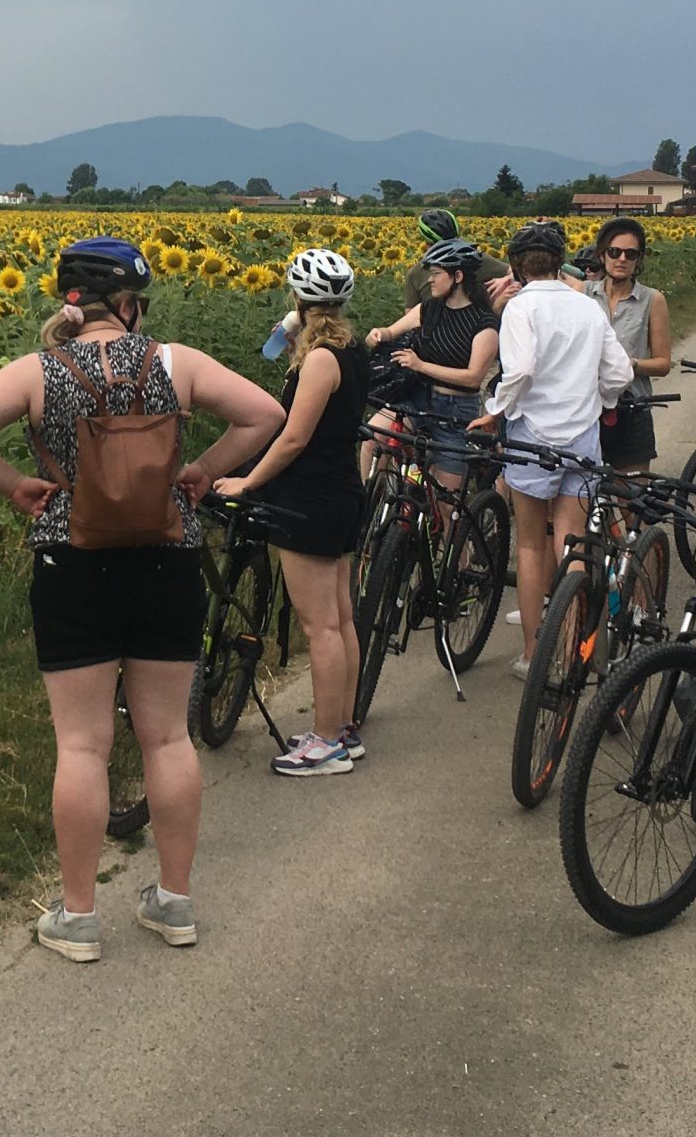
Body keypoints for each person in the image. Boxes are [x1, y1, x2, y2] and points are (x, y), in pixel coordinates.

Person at [0, 238, 282, 962]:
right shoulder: (174, 363)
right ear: (129, 306)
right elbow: (263, 414)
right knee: (166, 738)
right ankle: (175, 904)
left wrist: (16, 487)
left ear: (71, 303)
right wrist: (202, 473)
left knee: (83, 745)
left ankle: (79, 915)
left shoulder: (37, 372)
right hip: (167, 559)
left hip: (73, 565)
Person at [216, 248, 374, 779]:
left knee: (320, 626)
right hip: (342, 492)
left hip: (308, 499)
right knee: (341, 617)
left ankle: (326, 742)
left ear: (299, 298)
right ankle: (344, 729)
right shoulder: (349, 351)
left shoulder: (321, 360)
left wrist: (248, 479)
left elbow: (292, 439)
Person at [470, 221, 632, 677]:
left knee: (529, 545)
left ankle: (533, 653)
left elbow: (517, 371)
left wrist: (497, 409)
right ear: (560, 262)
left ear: (517, 267)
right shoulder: (588, 307)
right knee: (571, 543)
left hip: (533, 436)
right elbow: (618, 372)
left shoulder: (520, 309)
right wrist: (600, 400)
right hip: (582, 436)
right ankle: (570, 645)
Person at [365, 237, 500, 490]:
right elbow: (391, 331)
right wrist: (378, 334)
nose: (430, 280)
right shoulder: (428, 309)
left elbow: (472, 377)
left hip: (456, 411)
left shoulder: (485, 324)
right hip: (420, 400)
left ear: (458, 276)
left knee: (447, 503)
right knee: (373, 437)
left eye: (436, 273)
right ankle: (371, 505)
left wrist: (420, 365)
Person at [586, 217, 672, 474]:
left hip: (631, 408)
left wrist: (627, 364)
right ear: (602, 255)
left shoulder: (652, 300)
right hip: (587, 408)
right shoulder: (584, 294)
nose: (622, 259)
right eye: (615, 252)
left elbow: (663, 363)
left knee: (631, 501)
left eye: (631, 254)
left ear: (639, 260)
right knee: (585, 498)